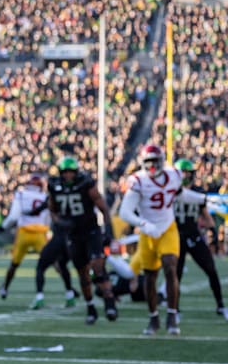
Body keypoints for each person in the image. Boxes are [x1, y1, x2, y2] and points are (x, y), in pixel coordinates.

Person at [118, 144, 208, 335]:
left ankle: (172, 315)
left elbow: (179, 195)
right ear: (143, 163)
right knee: (150, 277)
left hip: (168, 228)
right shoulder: (138, 181)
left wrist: (202, 199)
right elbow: (124, 212)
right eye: (148, 162)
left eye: (154, 161)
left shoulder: (174, 175)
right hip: (148, 232)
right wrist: (144, 225)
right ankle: (153, 318)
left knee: (170, 265)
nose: (151, 166)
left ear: (161, 161)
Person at [48, 156, 118, 324]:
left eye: (71, 172)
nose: (68, 176)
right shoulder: (54, 187)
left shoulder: (86, 183)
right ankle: (91, 308)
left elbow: (103, 207)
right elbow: (52, 210)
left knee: (98, 266)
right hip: (72, 234)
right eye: (65, 173)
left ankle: (110, 303)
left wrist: (108, 231)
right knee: (82, 274)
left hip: (91, 231)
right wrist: (60, 222)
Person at [171, 158, 227, 320]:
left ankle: (221, 305)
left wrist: (213, 232)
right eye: (183, 173)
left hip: (193, 235)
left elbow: (206, 215)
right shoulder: (170, 192)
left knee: (211, 269)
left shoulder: (198, 192)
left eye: (188, 173)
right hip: (175, 237)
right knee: (176, 275)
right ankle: (175, 310)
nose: (185, 176)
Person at [0, 174, 50, 300]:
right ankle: (69, 290)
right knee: (53, 261)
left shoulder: (21, 194)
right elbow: (47, 218)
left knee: (14, 264)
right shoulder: (45, 197)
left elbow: (14, 216)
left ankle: (5, 288)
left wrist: (3, 226)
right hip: (39, 233)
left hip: (23, 233)